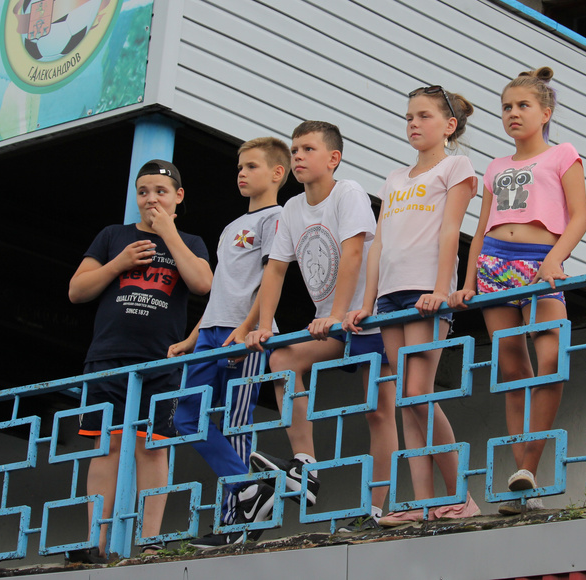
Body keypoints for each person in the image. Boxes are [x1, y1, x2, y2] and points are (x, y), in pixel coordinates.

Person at [238, 121, 396, 528]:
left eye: (308, 149)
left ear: (333, 158)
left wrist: (336, 314)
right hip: (334, 324)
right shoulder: (292, 208)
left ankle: (377, 509)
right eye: (294, 150)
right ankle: (305, 465)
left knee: (379, 413)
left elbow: (354, 254)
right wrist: (265, 324)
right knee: (282, 359)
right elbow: (275, 269)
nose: (298, 157)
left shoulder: (348, 192)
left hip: (369, 318)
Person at [450, 67, 586, 515]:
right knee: (512, 373)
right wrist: (467, 283)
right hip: (493, 266)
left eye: (523, 105)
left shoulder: (563, 154)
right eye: (507, 106)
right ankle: (522, 487)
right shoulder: (495, 166)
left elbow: (580, 217)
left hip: (539, 265)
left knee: (552, 363)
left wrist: (555, 259)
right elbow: (480, 228)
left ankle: (529, 466)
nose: (513, 113)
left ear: (545, 112)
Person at [344, 86, 479, 527]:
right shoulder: (394, 178)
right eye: (408, 117)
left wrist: (441, 289)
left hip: (425, 290)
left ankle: (460, 496)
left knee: (420, 392)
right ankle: (422, 503)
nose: (414, 124)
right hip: (390, 295)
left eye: (423, 116)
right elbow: (379, 243)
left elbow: (450, 231)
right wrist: (366, 302)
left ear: (449, 125)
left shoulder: (456, 166)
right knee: (406, 399)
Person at [68, 160, 213, 559]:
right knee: (107, 447)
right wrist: (119, 263)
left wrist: (168, 233)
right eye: (143, 192)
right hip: (108, 358)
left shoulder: (190, 241)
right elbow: (77, 290)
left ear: (178, 197)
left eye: (160, 192)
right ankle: (95, 543)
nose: (151, 199)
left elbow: (203, 283)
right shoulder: (113, 236)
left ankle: (150, 540)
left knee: (153, 447)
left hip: (160, 362)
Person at [167, 138, 290, 548]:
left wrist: (248, 327)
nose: (241, 173)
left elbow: (271, 280)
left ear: (277, 173)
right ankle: (249, 485)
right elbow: (220, 289)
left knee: (237, 423)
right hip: (210, 333)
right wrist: (192, 337)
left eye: (252, 166)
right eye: (240, 166)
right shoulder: (229, 227)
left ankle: (233, 526)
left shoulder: (277, 218)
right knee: (186, 418)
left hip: (245, 334)